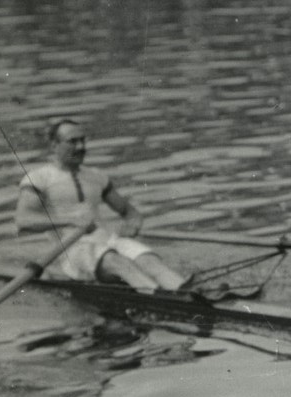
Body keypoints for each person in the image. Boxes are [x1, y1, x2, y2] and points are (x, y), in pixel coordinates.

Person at [14, 119, 197, 295]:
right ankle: (158, 297)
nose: (81, 147)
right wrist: (71, 221)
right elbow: (23, 220)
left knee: (149, 260)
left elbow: (129, 211)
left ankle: (185, 291)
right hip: (72, 250)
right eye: (72, 142)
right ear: (54, 145)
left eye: (82, 140)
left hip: (106, 241)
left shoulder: (96, 176)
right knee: (116, 261)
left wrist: (132, 223)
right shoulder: (39, 178)